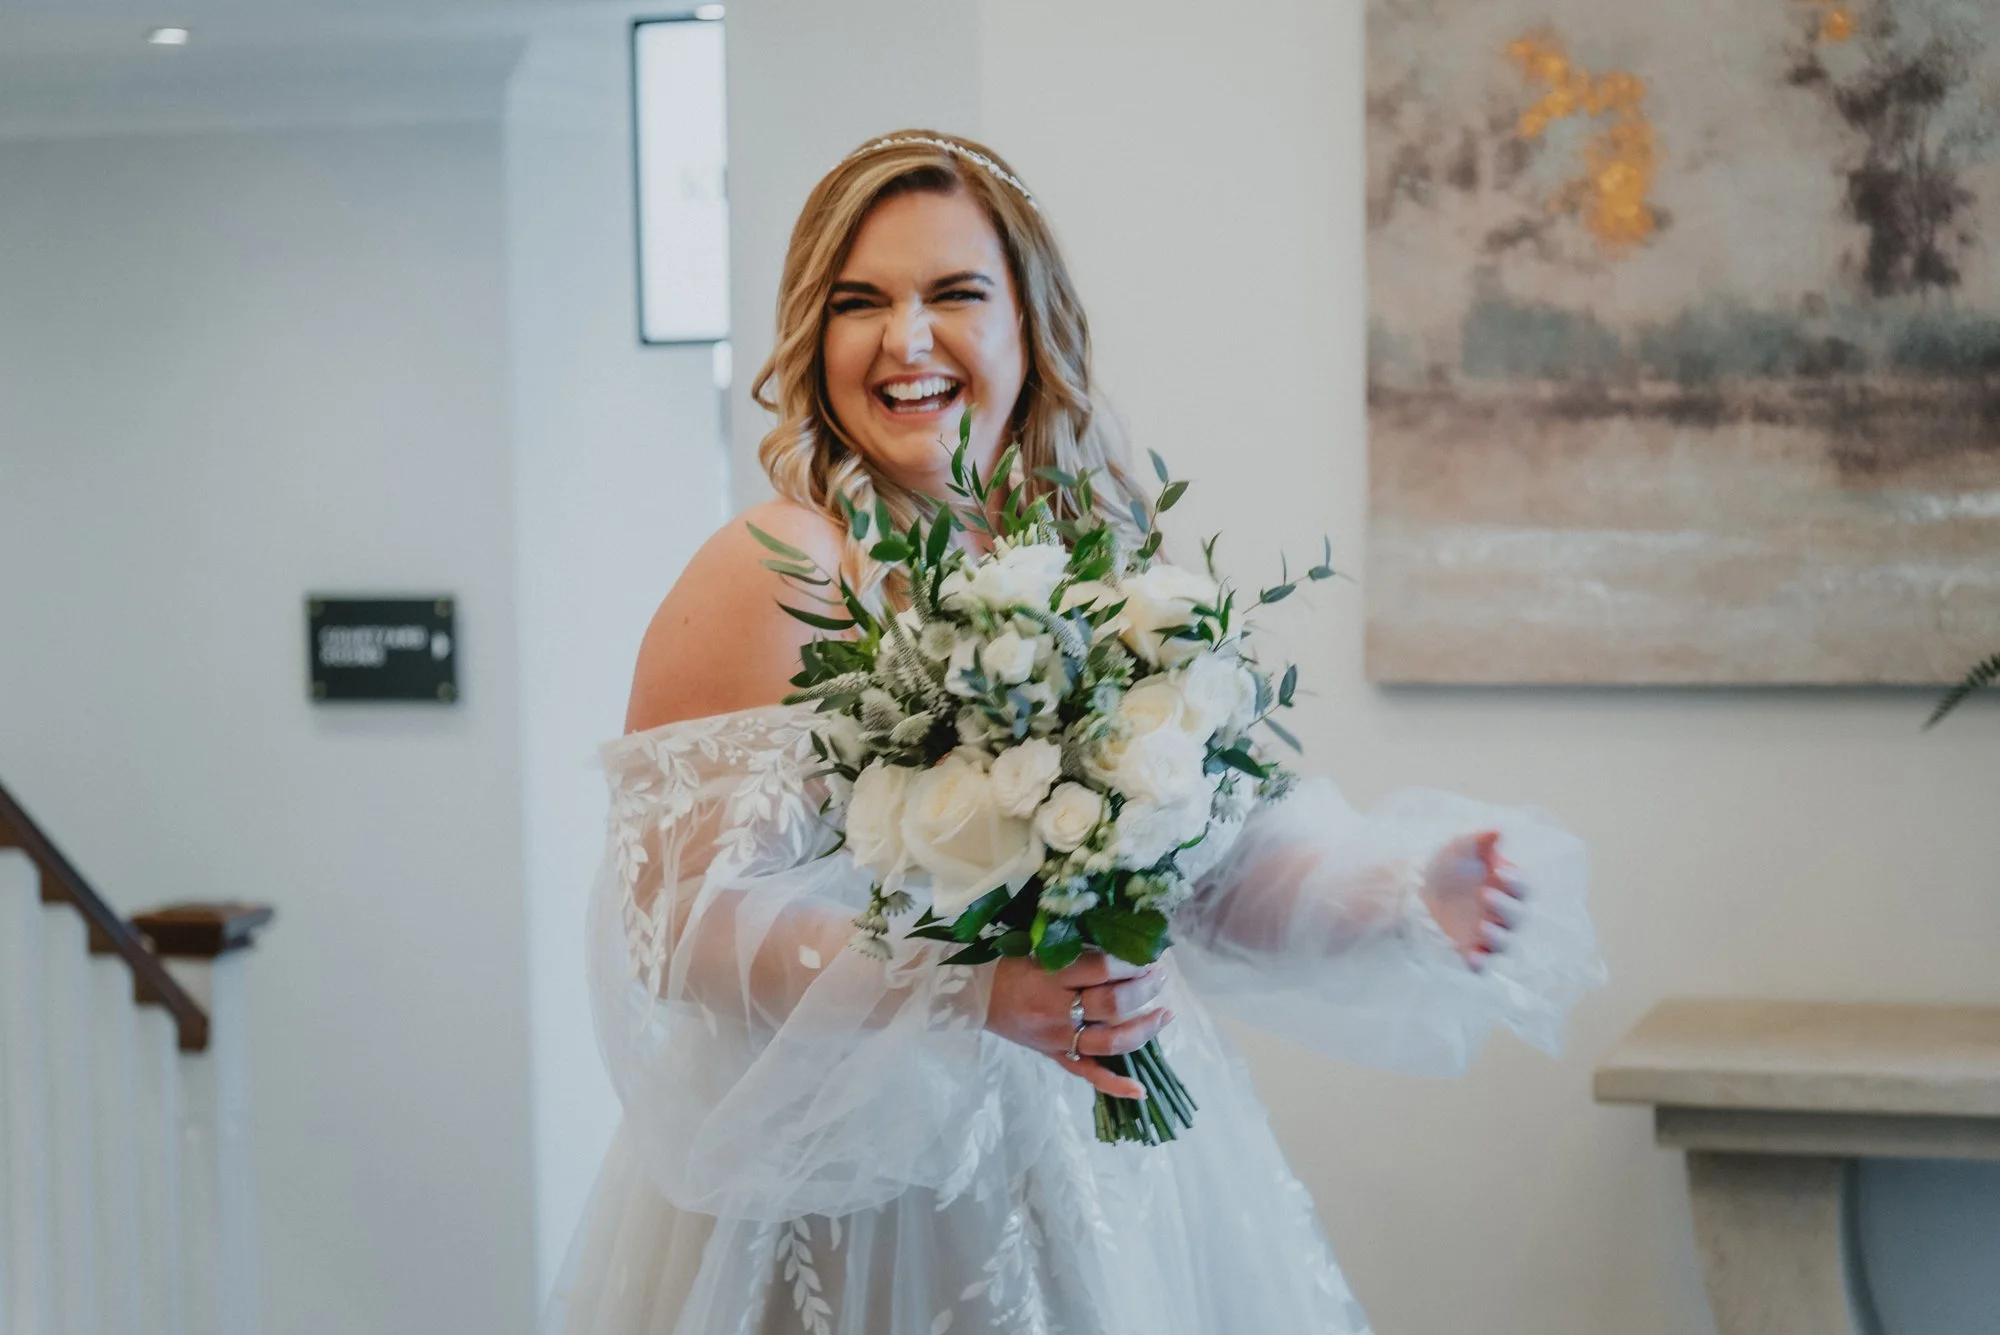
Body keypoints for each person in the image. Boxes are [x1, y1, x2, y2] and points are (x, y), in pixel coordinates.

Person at [544, 130, 1604, 1335]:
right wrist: (971, 989)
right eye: (860, 303)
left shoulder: (1098, 561)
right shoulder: (775, 567)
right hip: (867, 1200)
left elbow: (1204, 875)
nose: (906, 341)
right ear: (812, 335)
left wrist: (1399, 894)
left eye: (952, 295)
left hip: (1118, 1189)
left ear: (1025, 327)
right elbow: (675, 921)